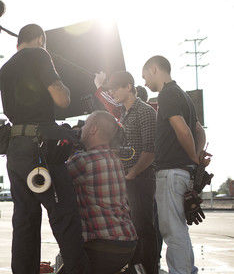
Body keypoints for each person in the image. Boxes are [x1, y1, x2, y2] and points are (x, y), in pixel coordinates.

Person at [0, 23, 87, 274]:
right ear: (40, 40)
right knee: (64, 217)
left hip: (15, 151)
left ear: (18, 43)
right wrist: (63, 85)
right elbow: (61, 98)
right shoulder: (40, 54)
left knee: (24, 222)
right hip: (42, 149)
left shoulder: (4, 70)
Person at [142, 55, 210, 274]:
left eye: (145, 77)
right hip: (182, 172)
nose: (144, 83)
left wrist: (193, 156)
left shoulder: (168, 94)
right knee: (179, 229)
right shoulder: (183, 95)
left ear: (154, 69)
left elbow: (183, 130)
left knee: (172, 231)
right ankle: (187, 270)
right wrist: (197, 158)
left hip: (171, 172)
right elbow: (199, 130)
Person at [101, 71, 159, 274]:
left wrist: (132, 174)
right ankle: (135, 269)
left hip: (140, 179)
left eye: (116, 88)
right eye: (111, 89)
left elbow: (150, 151)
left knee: (144, 228)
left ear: (129, 86)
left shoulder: (145, 111)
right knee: (132, 229)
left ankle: (150, 269)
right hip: (127, 179)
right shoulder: (124, 114)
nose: (113, 92)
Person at [67, 111, 137, 274]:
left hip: (102, 245)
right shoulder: (115, 160)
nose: (81, 129)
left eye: (85, 125)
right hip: (127, 240)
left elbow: (54, 181)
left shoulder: (83, 161)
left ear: (93, 129)